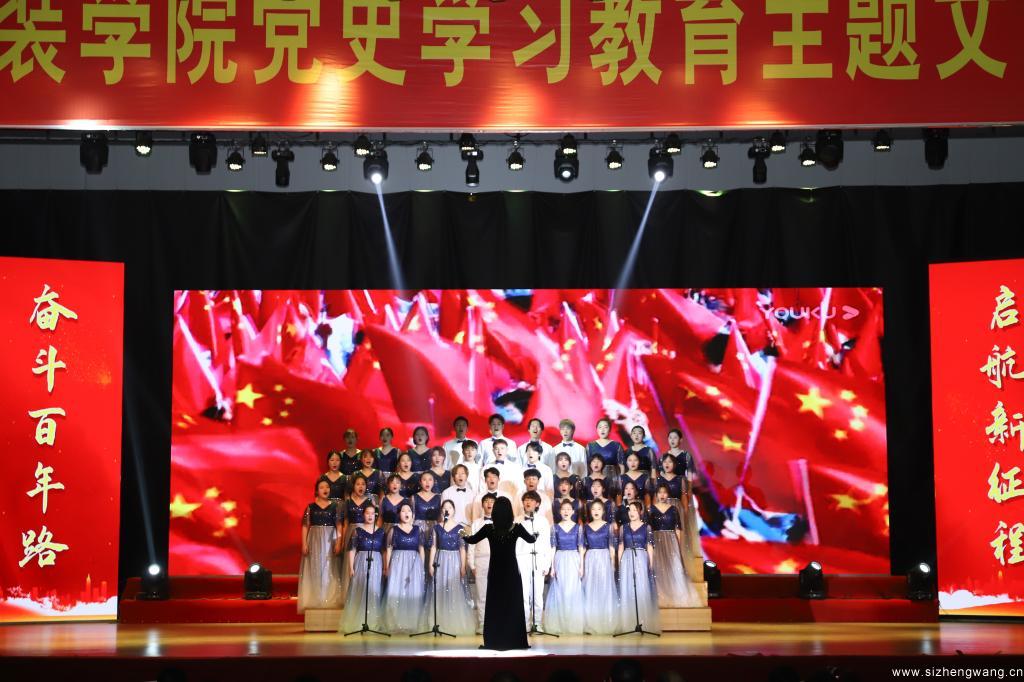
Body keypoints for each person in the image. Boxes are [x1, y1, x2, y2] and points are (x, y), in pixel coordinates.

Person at [462, 496, 537, 650]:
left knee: (495, 605)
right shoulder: (516, 528)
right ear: (510, 511)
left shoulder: (489, 528)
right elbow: (531, 540)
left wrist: (462, 533)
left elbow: (471, 540)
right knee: (513, 604)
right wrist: (536, 535)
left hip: (495, 571)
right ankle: (514, 640)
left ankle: (494, 640)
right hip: (511, 571)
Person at [423, 499, 476, 635]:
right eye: (444, 508)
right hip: (440, 560)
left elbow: (463, 548)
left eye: (450, 507)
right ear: (441, 511)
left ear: (454, 510)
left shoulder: (460, 528)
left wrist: (463, 567)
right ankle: (438, 622)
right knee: (439, 590)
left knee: (453, 590)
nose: (447, 510)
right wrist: (430, 564)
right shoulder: (436, 527)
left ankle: (453, 622)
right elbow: (433, 546)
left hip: (454, 561)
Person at [649, 483, 701, 608]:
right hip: (657, 540)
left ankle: (677, 596)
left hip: (671, 541)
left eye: (664, 492)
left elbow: (678, 529)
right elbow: (648, 529)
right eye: (660, 492)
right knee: (659, 568)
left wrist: (678, 545)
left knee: (674, 567)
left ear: (668, 494)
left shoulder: (673, 509)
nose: (662, 495)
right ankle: (660, 596)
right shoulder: (651, 509)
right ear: (656, 494)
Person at [298, 478, 343, 613]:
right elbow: (305, 526)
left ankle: (329, 598)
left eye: (327, 487)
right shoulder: (310, 507)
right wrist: (304, 543)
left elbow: (339, 526)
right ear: (317, 491)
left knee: (329, 568)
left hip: (330, 539)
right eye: (322, 487)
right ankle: (316, 598)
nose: (325, 489)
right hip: (315, 540)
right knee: (315, 568)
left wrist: (339, 542)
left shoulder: (335, 506)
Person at [383, 501, 427, 634]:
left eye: (409, 511)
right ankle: (395, 623)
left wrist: (421, 567)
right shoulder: (393, 530)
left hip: (414, 564)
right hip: (398, 563)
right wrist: (387, 567)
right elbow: (388, 549)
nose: (406, 513)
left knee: (413, 592)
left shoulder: (418, 530)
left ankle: (412, 623)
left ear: (412, 514)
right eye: (403, 511)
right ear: (399, 514)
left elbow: (421, 549)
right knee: (396, 591)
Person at [341, 504, 386, 632]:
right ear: (363, 515)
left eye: (373, 513)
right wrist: (351, 567)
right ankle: (359, 621)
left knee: (374, 590)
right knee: (361, 589)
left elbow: (384, 551)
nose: (370, 516)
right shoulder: (357, 531)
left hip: (376, 562)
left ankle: (373, 622)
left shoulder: (381, 532)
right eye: (367, 513)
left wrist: (385, 567)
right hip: (361, 561)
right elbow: (352, 550)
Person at [618, 501, 661, 633]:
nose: (631, 513)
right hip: (627, 558)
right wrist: (620, 563)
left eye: (634, 510)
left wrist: (650, 564)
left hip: (641, 558)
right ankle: (628, 622)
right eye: (630, 510)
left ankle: (643, 621)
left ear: (640, 512)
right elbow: (621, 546)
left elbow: (649, 546)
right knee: (628, 588)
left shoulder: (647, 527)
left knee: (641, 588)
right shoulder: (623, 528)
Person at [544, 499, 585, 635]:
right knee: (560, 591)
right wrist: (552, 567)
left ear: (573, 512)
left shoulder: (578, 527)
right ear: (559, 511)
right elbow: (553, 548)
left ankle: (573, 624)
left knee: (572, 590)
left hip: (574, 559)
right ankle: (561, 624)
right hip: (560, 559)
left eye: (568, 509)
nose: (566, 511)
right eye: (563, 509)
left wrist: (581, 566)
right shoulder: (555, 527)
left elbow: (581, 548)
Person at [516, 491, 551, 632]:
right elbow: (514, 544)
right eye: (526, 500)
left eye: (531, 500)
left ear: (537, 503)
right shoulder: (517, 520)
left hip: (538, 559)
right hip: (522, 559)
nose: (528, 502)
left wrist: (547, 564)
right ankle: (524, 624)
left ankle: (537, 624)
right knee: (523, 595)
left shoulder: (543, 521)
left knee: (537, 594)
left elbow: (547, 544)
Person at [582, 499, 618, 635]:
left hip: (604, 557)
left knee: (604, 588)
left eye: (599, 509)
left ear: (603, 511)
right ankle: (591, 623)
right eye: (593, 509)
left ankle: (606, 621)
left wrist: (612, 564)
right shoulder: (586, 527)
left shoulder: (608, 526)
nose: (596, 511)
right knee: (590, 589)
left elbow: (612, 546)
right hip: (590, 558)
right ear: (590, 512)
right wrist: (581, 564)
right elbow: (583, 547)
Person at [341, 473, 379, 598]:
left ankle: (363, 593)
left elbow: (374, 519)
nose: (360, 486)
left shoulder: (370, 501)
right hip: (351, 531)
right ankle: (350, 595)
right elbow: (345, 521)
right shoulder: (348, 502)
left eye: (363, 484)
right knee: (351, 562)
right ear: (353, 486)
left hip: (365, 531)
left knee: (363, 563)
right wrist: (342, 540)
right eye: (358, 484)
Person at [467, 493, 496, 633]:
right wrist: (472, 564)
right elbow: (471, 545)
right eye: (486, 501)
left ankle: (497, 624)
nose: (489, 504)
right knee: (482, 594)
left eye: (492, 501)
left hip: (498, 561)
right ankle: (483, 623)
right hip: (481, 561)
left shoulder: (502, 522)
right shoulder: (476, 523)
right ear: (482, 505)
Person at [412, 470, 441, 546]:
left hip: (434, 528)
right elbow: (411, 516)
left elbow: (440, 517)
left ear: (434, 482)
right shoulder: (414, 497)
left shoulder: (439, 497)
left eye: (430, 480)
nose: (427, 482)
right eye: (424, 480)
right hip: (418, 528)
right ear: (420, 482)